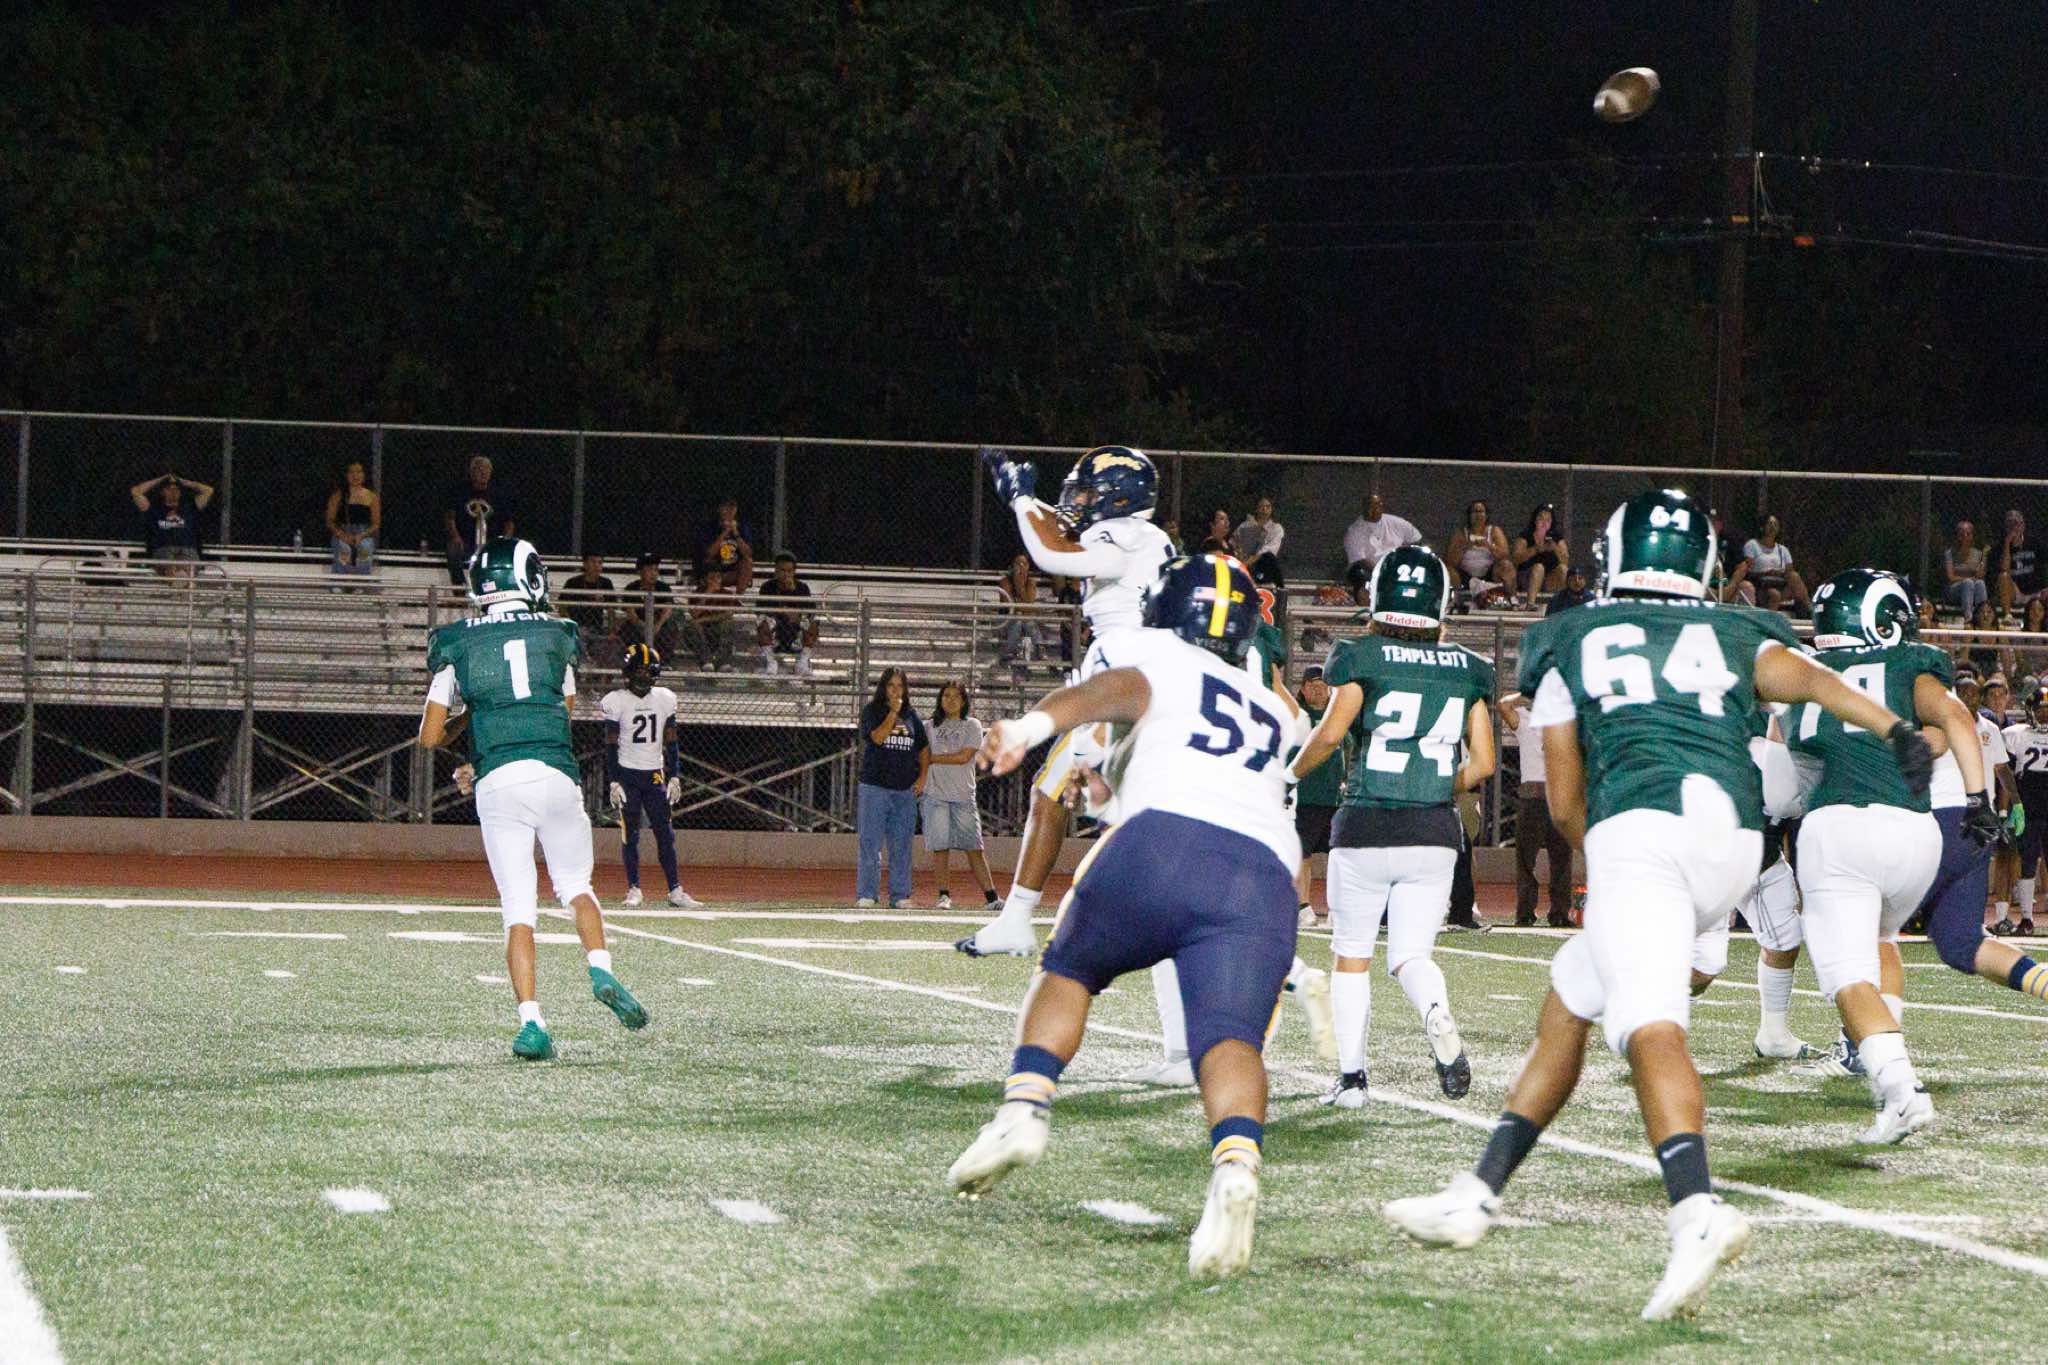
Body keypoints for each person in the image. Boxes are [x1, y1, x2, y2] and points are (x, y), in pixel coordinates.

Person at [1383, 488, 1933, 1323]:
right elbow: (1807, 676)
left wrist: (1609, 857)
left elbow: (1565, 800)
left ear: (1613, 558)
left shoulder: (1570, 636)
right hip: (1734, 839)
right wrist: (1894, 729)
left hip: (1647, 830)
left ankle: (1696, 1211)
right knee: (1569, 1001)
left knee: (1650, 1026)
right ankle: (1479, 1191)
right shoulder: (1736, 628)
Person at [945, 554, 1306, 1281]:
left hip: (1165, 842)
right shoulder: (1275, 707)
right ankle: (1235, 1166)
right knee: (1230, 1040)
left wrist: (1030, 725)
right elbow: (1215, 770)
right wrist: (1109, 790)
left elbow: (1119, 691)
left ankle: (1023, 1109)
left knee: (1070, 969)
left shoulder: (1157, 653)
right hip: (1265, 876)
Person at [1768, 568, 1993, 1143]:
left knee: (1846, 976)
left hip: (1840, 831)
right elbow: (1954, 722)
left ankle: (1899, 1089)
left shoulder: (1803, 673)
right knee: (1881, 938)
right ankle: (1885, 1046)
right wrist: (1978, 799)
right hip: (1917, 835)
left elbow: (1781, 784)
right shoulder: (1908, 665)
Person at [417, 537, 647, 1060]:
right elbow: (561, 707)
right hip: (554, 775)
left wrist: (474, 719)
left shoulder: (456, 643)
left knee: (518, 909)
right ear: (530, 578)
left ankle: (532, 1023)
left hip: (499, 783)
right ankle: (600, 968)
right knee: (576, 886)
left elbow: (430, 736)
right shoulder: (557, 634)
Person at [1292, 544, 1495, 1110]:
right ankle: (1435, 1012)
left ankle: (1353, 1080)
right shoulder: (1467, 668)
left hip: (1365, 824)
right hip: (1433, 831)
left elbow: (1331, 734)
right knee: (1411, 957)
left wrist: (1289, 774)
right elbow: (1482, 763)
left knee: (1351, 957)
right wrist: (1437, 785)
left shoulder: (1361, 655)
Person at [954, 446, 1171, 970]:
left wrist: (1021, 500)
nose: (1078, 502)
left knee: (1116, 812)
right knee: (1059, 795)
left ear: (1120, 498)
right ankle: (1016, 918)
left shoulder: (1127, 535)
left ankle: (1213, 929)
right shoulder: (1139, 536)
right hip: (1132, 672)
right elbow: (1063, 531)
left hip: (1123, 676)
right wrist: (1026, 501)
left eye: (1090, 493)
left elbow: (1054, 556)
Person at [600, 644, 702, 910]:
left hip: (654, 774)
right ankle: (634, 888)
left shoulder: (664, 698)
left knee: (665, 834)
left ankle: (675, 890)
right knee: (630, 834)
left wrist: (675, 775)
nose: (644, 676)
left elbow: (671, 740)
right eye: (640, 671)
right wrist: (614, 780)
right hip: (628, 774)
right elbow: (610, 744)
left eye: (648, 671)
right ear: (629, 672)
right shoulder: (617, 701)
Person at [1499, 691, 1573, 928]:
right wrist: (1528, 691)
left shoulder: (1566, 721)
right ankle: (1525, 912)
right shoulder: (1524, 718)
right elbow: (1503, 705)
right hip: (1533, 796)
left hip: (1558, 794)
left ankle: (1560, 913)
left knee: (1562, 858)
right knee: (1525, 858)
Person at [856, 668, 928, 909]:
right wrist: (893, 713)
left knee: (902, 844)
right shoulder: (872, 711)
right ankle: (867, 893)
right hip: (875, 787)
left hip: (904, 791)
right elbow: (877, 737)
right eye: (891, 686)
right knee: (870, 842)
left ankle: (900, 895)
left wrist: (922, 777)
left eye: (900, 686)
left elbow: (923, 749)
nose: (896, 691)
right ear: (883, 688)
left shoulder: (912, 716)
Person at [923, 681, 997, 911]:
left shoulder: (972, 725)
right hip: (935, 794)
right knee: (940, 847)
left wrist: (933, 758)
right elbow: (921, 755)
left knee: (974, 847)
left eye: (956, 696)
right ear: (940, 699)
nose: (951, 700)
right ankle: (943, 895)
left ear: (964, 701)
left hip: (963, 795)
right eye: (946, 695)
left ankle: (992, 898)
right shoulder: (929, 726)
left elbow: (963, 757)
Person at [1292, 667, 1345, 930]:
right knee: (1303, 853)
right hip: (1306, 796)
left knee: (1340, 853)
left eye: (1322, 684)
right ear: (1302, 688)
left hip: (1335, 798)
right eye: (1312, 684)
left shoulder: (1339, 715)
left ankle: (1338, 907)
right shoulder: (1297, 716)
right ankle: (1303, 906)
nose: (1318, 689)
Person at [2000, 689, 2048, 937]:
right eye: (2041, 710)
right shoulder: (2016, 735)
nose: (2045, 715)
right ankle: (2027, 919)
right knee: (2027, 862)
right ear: (2030, 711)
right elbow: (2004, 772)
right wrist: (2006, 808)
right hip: (2028, 806)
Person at [130, 468, 214, 578]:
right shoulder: (154, 509)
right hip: (163, 549)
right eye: (168, 489)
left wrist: (182, 481)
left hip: (187, 549)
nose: (173, 492)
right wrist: (162, 478)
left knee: (187, 567)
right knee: (171, 567)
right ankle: (179, 582)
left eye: (176, 489)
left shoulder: (190, 507)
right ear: (162, 492)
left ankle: (181, 581)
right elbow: (136, 492)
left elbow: (208, 490)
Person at [443, 456, 514, 585]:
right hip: (466, 542)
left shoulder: (497, 495)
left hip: (491, 542)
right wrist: (455, 537)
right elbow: (449, 518)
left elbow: (508, 522)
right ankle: (460, 587)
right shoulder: (460, 492)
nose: (483, 473)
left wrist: (504, 541)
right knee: (453, 549)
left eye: (487, 469)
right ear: (472, 472)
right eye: (480, 469)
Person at [756, 553, 818, 676]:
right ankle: (771, 662)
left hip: (796, 626)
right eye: (782, 570)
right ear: (776, 571)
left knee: (812, 625)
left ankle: (802, 663)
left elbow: (810, 611)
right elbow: (760, 610)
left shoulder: (802, 587)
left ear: (794, 572)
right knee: (762, 624)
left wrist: (793, 592)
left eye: (789, 571)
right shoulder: (767, 587)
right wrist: (781, 611)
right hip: (775, 625)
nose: (786, 574)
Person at [1737, 514, 1811, 614]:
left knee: (1794, 576)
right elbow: (1747, 571)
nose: (1773, 526)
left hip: (1779, 584)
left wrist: (1779, 573)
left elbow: (1789, 572)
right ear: (1762, 527)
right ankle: (1769, 621)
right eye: (1770, 523)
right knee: (1774, 594)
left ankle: (1809, 608)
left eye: (1775, 524)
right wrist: (1766, 573)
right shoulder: (1752, 545)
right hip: (1760, 586)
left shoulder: (1783, 549)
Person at [1342, 494, 1423, 580]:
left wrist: (1408, 558)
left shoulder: (1396, 522)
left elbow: (1417, 540)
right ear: (1364, 508)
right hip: (1371, 574)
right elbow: (1360, 561)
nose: (1375, 509)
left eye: (1378, 505)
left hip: (1401, 570)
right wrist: (1383, 574)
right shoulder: (1354, 532)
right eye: (1371, 506)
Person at [617, 553, 682, 659]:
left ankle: (664, 661)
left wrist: (657, 626)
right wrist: (644, 627)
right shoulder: (631, 588)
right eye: (649, 570)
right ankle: (636, 658)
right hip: (639, 624)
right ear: (640, 571)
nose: (653, 573)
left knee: (669, 628)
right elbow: (630, 613)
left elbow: (667, 610)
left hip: (659, 623)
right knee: (627, 629)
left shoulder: (663, 587)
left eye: (655, 570)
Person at [559, 554, 618, 664]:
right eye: (593, 562)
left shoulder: (606, 583)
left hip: (597, 627)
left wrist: (612, 631)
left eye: (599, 563)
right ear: (585, 564)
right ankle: (584, 665)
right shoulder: (573, 582)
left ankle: (596, 668)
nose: (596, 566)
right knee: (579, 637)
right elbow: (562, 607)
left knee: (609, 643)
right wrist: (570, 625)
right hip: (578, 625)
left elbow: (611, 610)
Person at [324, 461, 380, 575]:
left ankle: (362, 581)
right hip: (342, 533)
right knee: (344, 550)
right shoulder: (338, 495)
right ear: (346, 475)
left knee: (364, 551)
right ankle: (340, 580)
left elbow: (376, 524)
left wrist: (362, 535)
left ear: (364, 475)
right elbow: (329, 521)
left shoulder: (371, 497)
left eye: (359, 472)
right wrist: (342, 535)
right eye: (352, 472)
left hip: (364, 535)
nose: (355, 476)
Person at [1445, 500, 1510, 595]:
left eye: (1481, 512)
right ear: (1469, 515)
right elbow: (1450, 561)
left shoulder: (1494, 531)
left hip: (1489, 574)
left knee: (1506, 565)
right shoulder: (1461, 533)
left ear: (1486, 515)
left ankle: (1510, 597)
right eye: (1475, 512)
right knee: (1448, 569)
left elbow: (1505, 555)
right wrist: (1465, 547)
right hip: (1465, 575)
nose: (1478, 515)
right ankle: (1457, 597)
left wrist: (1489, 546)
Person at [680, 564, 737, 670]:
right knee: (691, 627)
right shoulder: (698, 593)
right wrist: (707, 593)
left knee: (729, 623)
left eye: (718, 577)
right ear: (705, 579)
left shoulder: (726, 593)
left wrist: (703, 619)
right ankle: (706, 661)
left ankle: (722, 662)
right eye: (712, 578)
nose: (715, 580)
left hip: (718, 628)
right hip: (702, 630)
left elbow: (728, 614)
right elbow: (694, 614)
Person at [1509, 503, 1570, 602]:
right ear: (1535, 520)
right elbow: (1515, 559)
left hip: (1549, 580)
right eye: (1541, 519)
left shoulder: (1556, 538)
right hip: (1527, 577)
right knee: (1539, 568)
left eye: (1548, 520)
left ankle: (1564, 603)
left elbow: (1566, 561)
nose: (1544, 523)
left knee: (1563, 569)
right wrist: (1535, 549)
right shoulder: (1525, 536)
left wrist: (1555, 548)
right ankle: (1530, 603)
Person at [997, 553, 1047, 663]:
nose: (1021, 566)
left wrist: (1021, 588)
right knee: (1019, 621)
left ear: (1028, 566)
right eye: (1018, 564)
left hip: (1025, 619)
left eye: (1024, 564)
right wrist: (1017, 583)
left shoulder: (1031, 582)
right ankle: (1011, 651)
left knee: (1027, 622)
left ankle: (1039, 648)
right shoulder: (1005, 581)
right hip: (1006, 619)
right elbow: (1008, 605)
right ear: (1012, 566)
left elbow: (1029, 605)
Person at [702, 497, 755, 591]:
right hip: (715, 572)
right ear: (719, 509)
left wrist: (735, 533)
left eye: (732, 507)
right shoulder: (710, 527)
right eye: (725, 507)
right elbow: (709, 554)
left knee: (747, 562)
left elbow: (748, 553)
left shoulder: (742, 527)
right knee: (709, 561)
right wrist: (725, 532)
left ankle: (738, 597)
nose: (729, 511)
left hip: (733, 571)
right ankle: (711, 592)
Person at [1232, 496, 1286, 587]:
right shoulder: (1245, 526)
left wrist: (1246, 563)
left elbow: (1268, 551)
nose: (1264, 510)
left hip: (1263, 567)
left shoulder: (1276, 529)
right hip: (1244, 565)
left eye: (1268, 506)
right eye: (1261, 506)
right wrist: (1239, 557)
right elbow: (1234, 542)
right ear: (1256, 509)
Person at [1997, 508, 2041, 615]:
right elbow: (2004, 568)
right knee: (2003, 576)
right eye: (2010, 524)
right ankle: (2008, 616)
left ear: (2023, 526)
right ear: (2006, 528)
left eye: (2016, 523)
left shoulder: (2035, 543)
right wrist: (2007, 544)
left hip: (2035, 592)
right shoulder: (1999, 547)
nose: (2014, 527)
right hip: (2015, 593)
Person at [1945, 519, 1989, 619]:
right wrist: (1967, 579)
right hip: (1954, 590)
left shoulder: (1978, 554)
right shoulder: (1950, 553)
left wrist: (1983, 558)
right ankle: (1968, 617)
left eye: (1968, 534)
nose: (1965, 537)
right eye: (1962, 534)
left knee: (1980, 583)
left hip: (1973, 587)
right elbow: (1951, 577)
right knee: (1968, 583)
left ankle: (1983, 615)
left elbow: (1980, 576)